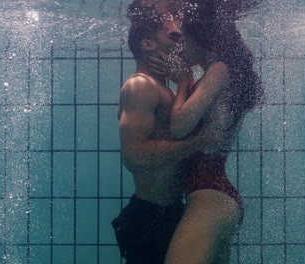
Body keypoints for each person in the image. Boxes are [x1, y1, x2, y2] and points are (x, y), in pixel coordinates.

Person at [147, 1, 264, 263]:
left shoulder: (219, 70)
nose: (179, 45)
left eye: (182, 37)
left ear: (201, 37)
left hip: (210, 198)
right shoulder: (226, 71)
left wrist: (182, 81)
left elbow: (179, 127)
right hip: (215, 199)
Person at [111, 2, 228, 263]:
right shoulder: (140, 86)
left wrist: (185, 82)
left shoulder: (167, 91)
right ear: (148, 45)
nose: (182, 39)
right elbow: (135, 157)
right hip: (150, 216)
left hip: (169, 211)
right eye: (173, 35)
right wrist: (198, 143)